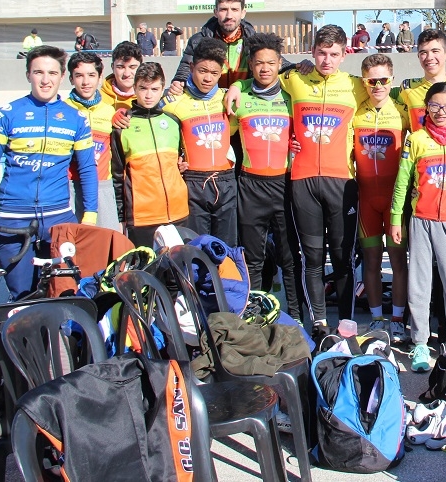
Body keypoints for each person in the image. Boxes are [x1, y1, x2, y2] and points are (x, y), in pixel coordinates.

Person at [0, 45, 98, 299]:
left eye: (52, 73)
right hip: (14, 219)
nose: (45, 80)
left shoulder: (76, 118)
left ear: (62, 76)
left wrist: (90, 216)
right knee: (21, 297)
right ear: (28, 74)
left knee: (63, 296)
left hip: (59, 218)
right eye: (38, 72)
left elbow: (87, 168)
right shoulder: (7, 114)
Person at [276, 25, 366, 336]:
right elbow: (262, 74)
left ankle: (346, 325)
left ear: (344, 54)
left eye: (334, 54)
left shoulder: (356, 85)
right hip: (303, 181)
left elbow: (389, 91)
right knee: (312, 258)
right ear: (312, 52)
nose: (327, 60)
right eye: (322, 53)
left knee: (342, 259)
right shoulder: (294, 78)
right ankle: (318, 323)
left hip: (341, 182)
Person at [390, 82, 446, 371]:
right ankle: (420, 343)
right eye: (435, 105)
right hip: (421, 220)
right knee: (419, 285)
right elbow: (402, 183)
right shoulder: (416, 139)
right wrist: (396, 218)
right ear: (426, 107)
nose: (441, 112)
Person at [229, 34, 302, 321]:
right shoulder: (240, 96)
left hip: (284, 184)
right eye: (259, 63)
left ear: (280, 63)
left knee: (290, 257)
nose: (265, 68)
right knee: (253, 258)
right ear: (250, 64)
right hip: (250, 185)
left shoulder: (291, 96)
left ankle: (296, 316)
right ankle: (255, 316)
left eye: (271, 63)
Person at [354, 53, 410, 342]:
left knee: (398, 260)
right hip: (366, 198)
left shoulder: (402, 112)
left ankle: (398, 319)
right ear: (364, 81)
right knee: (371, 261)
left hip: (394, 200)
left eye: (383, 80)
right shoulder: (355, 111)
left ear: (392, 80)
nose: (378, 86)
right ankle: (377, 319)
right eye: (371, 81)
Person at [161, 41, 237, 245]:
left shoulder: (228, 98)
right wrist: (123, 115)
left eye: (214, 73)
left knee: (226, 248)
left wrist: (238, 86)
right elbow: (146, 113)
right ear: (192, 67)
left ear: (221, 72)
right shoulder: (173, 102)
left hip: (226, 181)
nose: (208, 78)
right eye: (202, 71)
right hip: (193, 182)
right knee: (197, 246)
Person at [110, 63, 189, 247]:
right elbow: (117, 176)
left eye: (154, 89)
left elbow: (181, 160)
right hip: (142, 217)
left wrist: (181, 165)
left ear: (162, 89)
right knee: (147, 264)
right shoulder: (123, 126)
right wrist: (121, 218)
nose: (148, 95)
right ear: (134, 88)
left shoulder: (173, 121)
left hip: (179, 212)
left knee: (178, 264)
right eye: (143, 88)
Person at [171, 0, 292, 96]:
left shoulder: (254, 41)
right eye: (223, 9)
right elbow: (185, 67)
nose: (229, 15)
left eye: (234, 9)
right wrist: (179, 81)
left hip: (245, 101)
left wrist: (296, 66)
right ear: (215, 12)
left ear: (243, 13)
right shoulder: (199, 41)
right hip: (211, 102)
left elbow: (276, 61)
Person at [66, 52, 119, 230]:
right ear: (71, 79)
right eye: (79, 76)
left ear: (100, 78)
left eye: (91, 75)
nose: (86, 82)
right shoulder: (63, 110)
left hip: (102, 186)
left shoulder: (110, 112)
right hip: (70, 187)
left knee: (105, 241)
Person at [395, 29, 446, 132]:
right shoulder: (407, 88)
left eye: (435, 51)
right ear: (418, 56)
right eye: (423, 52)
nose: (429, 57)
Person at [101, 41, 143, 111]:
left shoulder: (151, 97)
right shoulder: (99, 99)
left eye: (132, 67)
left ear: (141, 67)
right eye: (120, 67)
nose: (127, 74)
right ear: (112, 68)